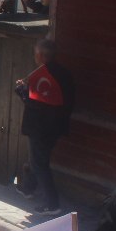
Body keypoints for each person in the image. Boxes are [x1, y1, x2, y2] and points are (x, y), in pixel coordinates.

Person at [15, 38, 75, 215]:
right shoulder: (64, 73)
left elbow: (35, 103)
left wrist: (21, 90)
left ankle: (52, 204)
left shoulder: (44, 76)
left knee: (40, 163)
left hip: (41, 127)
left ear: (40, 55)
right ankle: (27, 188)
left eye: (35, 54)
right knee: (36, 159)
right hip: (57, 126)